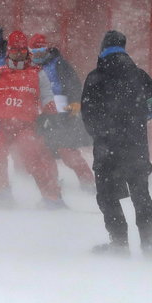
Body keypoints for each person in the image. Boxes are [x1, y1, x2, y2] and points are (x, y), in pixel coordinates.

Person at [80, 30, 152, 256]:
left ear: (103, 49)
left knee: (107, 196)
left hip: (107, 147)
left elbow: (87, 115)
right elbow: (150, 112)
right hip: (136, 147)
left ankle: (119, 243)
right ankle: (149, 243)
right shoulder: (142, 76)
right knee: (140, 194)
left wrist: (101, 135)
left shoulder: (95, 77)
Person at [0, 30, 64, 208]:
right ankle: (3, 194)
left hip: (26, 126)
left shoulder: (37, 73)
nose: (18, 54)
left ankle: (52, 197)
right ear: (8, 51)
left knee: (34, 158)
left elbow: (47, 96)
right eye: (14, 50)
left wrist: (52, 116)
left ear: (27, 51)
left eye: (22, 50)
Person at [30, 33, 95, 192]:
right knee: (44, 151)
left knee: (66, 149)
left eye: (42, 50)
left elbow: (73, 83)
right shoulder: (29, 66)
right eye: (35, 52)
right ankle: (53, 184)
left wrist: (74, 101)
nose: (39, 55)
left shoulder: (58, 63)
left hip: (61, 112)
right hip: (39, 113)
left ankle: (88, 183)